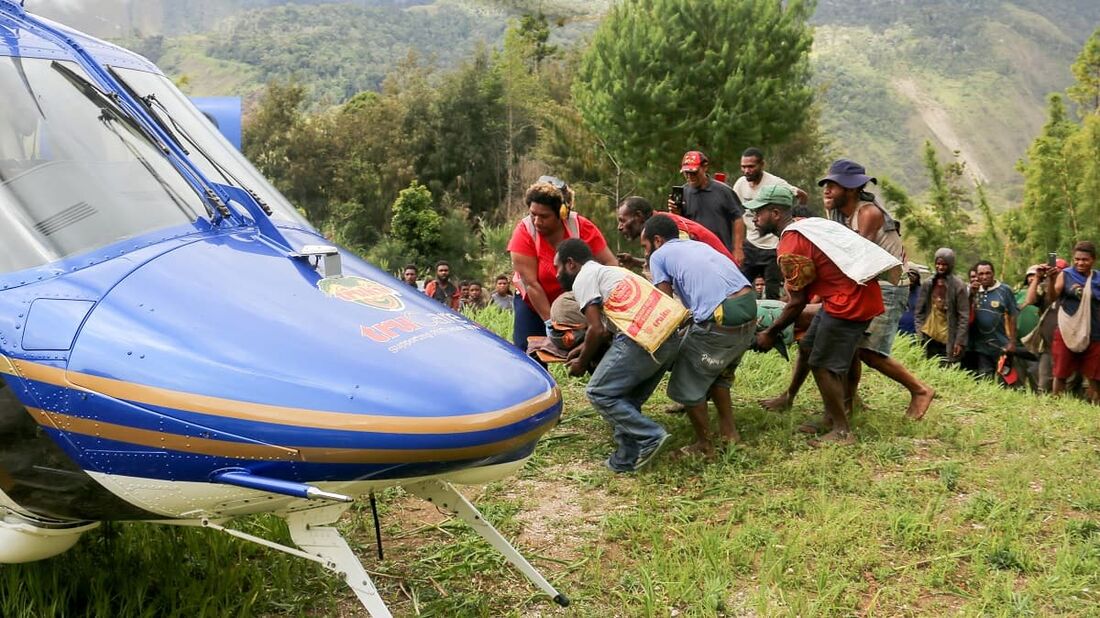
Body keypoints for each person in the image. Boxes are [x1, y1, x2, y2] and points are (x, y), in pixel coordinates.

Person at [750, 185, 887, 447]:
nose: (754, 218)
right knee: (809, 346)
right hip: (856, 293)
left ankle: (842, 431)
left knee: (822, 364)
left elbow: (797, 302)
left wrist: (770, 331)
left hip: (848, 303)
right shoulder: (803, 224)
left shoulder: (790, 244)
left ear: (776, 213)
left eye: (759, 212)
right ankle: (820, 412)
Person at [820, 159, 934, 420]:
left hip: (888, 285)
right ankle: (849, 403)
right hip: (866, 282)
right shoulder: (840, 213)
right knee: (851, 347)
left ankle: (920, 390)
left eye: (832, 185)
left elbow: (856, 254)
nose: (826, 190)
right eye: (826, 185)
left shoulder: (869, 213)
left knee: (871, 352)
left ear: (850, 189)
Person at [555, 239, 677, 472]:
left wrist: (581, 363)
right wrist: (583, 348)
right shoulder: (612, 272)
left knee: (598, 392)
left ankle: (651, 435)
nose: (556, 274)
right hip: (668, 335)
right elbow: (609, 326)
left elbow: (596, 330)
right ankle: (625, 458)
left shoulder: (584, 277)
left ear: (570, 263)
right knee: (625, 398)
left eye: (557, 267)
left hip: (641, 335)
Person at [642, 215, 756, 457]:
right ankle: (729, 434)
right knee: (719, 375)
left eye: (644, 246)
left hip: (722, 314)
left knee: (687, 380)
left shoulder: (659, 255)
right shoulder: (697, 245)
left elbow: (664, 302)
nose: (645, 252)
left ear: (657, 240)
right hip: (748, 309)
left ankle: (704, 446)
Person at [508, 179, 617, 350]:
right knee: (528, 351)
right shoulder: (524, 232)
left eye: (544, 216)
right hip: (534, 301)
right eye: (532, 214)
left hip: (574, 301)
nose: (537, 222)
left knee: (595, 348)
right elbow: (531, 284)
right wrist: (551, 324)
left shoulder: (581, 227)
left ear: (562, 213)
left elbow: (610, 264)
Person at [732, 147, 808, 299]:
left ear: (762, 165)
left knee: (773, 291)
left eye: (751, 166)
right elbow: (736, 215)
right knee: (738, 287)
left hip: (773, 247)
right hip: (751, 244)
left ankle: (772, 320)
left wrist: (795, 214)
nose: (747, 170)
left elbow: (801, 195)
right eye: (743, 167)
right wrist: (738, 247)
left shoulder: (775, 183)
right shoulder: (740, 184)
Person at [614, 195, 735, 268]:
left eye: (622, 221)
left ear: (639, 216)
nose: (620, 227)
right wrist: (636, 262)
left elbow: (688, 266)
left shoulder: (669, 229)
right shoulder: (659, 225)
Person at [1047, 241, 1100, 402]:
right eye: (1077, 259)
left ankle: (1095, 409)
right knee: (1060, 373)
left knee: (1095, 376)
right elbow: (1052, 297)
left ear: (1093, 260)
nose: (1080, 263)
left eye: (1085, 259)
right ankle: (1057, 406)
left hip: (1094, 332)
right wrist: (1051, 279)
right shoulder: (1066, 275)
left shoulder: (1098, 279)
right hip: (1067, 331)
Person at [668, 151, 744, 261]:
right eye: (686, 173)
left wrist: (738, 249)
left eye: (693, 172)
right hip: (695, 253)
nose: (690, 176)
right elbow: (681, 226)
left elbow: (738, 218)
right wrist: (675, 213)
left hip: (721, 251)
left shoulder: (723, 191)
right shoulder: (683, 193)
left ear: (704, 167)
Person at [914, 248, 970, 364]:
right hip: (929, 335)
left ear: (950, 265)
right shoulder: (928, 283)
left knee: (946, 367)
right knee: (927, 365)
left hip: (948, 337)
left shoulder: (958, 286)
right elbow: (919, 311)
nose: (940, 267)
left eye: (944, 264)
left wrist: (959, 341)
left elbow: (963, 316)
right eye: (938, 264)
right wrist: (920, 333)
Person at [969, 260, 1018, 379]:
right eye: (981, 274)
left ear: (993, 274)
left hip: (1002, 346)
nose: (984, 277)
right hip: (981, 347)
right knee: (985, 380)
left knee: (1004, 381)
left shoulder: (1004, 290)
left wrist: (1012, 342)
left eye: (988, 273)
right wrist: (971, 295)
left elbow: (1013, 316)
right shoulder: (972, 291)